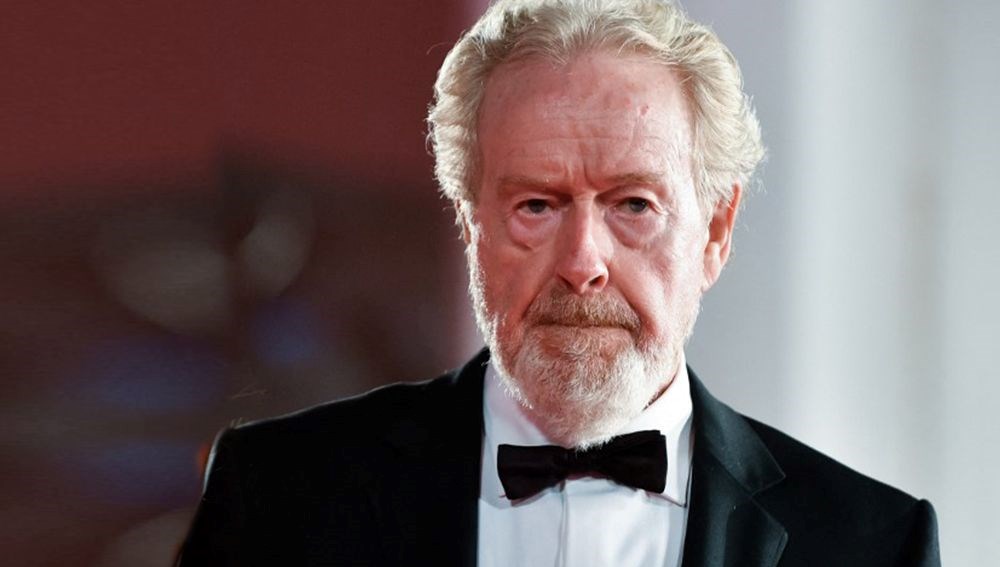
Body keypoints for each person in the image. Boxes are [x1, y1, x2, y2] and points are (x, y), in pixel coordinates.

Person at [177, 1, 941, 565]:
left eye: (633, 205)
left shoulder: (871, 543)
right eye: (537, 205)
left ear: (715, 231)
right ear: (471, 223)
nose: (583, 263)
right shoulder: (276, 495)